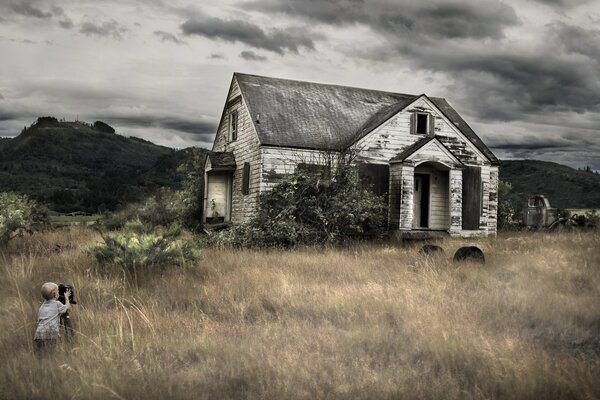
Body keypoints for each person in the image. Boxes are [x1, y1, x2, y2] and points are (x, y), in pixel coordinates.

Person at [33, 282, 71, 352]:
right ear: (54, 294)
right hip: (51, 334)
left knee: (41, 353)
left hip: (39, 334)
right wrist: (67, 298)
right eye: (58, 292)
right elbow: (67, 307)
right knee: (51, 352)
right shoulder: (57, 304)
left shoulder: (42, 307)